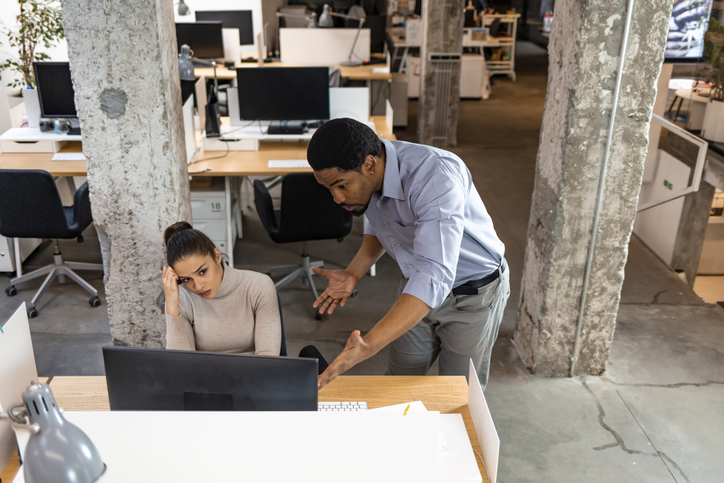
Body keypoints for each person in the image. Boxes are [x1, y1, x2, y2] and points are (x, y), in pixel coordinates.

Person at [307, 118, 510, 390]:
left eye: (342, 185)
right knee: (400, 384)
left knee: (458, 394)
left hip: (472, 296)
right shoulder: (371, 177)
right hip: (414, 286)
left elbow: (433, 275)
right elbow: (383, 224)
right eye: (329, 188)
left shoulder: (434, 178)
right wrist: (354, 272)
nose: (337, 198)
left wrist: (367, 346)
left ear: (369, 164)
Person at [162, 221, 281, 355]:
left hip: (256, 373)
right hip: (204, 375)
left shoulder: (258, 286)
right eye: (187, 279)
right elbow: (180, 364)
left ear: (217, 256)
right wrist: (172, 307)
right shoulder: (182, 298)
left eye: (202, 271)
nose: (199, 286)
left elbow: (268, 357)